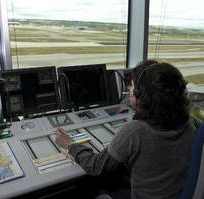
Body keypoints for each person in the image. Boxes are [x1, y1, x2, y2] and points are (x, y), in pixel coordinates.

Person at [55, 60, 201, 199]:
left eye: (132, 86)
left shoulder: (135, 131)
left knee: (94, 187)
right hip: (177, 194)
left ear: (139, 94)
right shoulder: (191, 123)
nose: (130, 90)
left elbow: (96, 166)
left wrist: (69, 145)